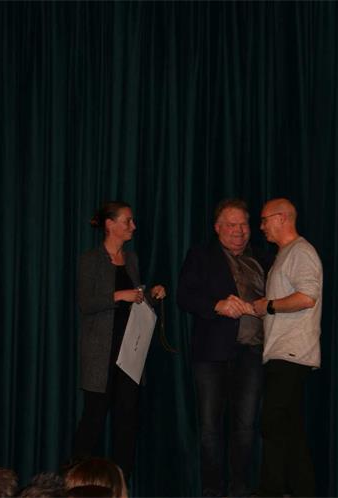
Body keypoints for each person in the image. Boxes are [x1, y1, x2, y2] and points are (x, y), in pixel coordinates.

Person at [177, 198, 271, 497]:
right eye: (231, 225)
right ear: (217, 228)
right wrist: (217, 305)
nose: (239, 231)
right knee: (210, 429)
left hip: (252, 353)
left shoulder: (264, 257)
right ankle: (212, 491)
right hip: (211, 356)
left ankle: (239, 490)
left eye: (244, 224)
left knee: (246, 427)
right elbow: (184, 296)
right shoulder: (201, 255)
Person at [71, 201, 166, 481]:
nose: (133, 226)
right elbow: (86, 303)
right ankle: (74, 480)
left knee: (127, 422)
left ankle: (121, 482)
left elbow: (135, 301)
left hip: (129, 353)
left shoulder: (131, 259)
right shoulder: (91, 259)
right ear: (110, 224)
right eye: (127, 221)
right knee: (93, 419)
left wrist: (151, 295)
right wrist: (118, 295)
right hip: (101, 354)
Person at [252, 198, 323, 497]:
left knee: (273, 422)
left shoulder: (301, 252)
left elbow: (307, 296)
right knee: (288, 428)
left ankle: (271, 490)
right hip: (283, 353)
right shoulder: (286, 254)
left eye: (264, 219)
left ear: (281, 218)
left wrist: (268, 306)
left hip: (291, 353)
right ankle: (302, 490)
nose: (261, 226)